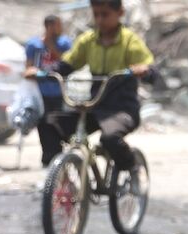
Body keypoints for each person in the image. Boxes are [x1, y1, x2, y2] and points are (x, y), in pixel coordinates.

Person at [26, 0, 156, 189]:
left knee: (110, 139)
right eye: (96, 15)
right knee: (48, 124)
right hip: (95, 106)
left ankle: (132, 168)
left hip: (122, 109)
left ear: (119, 13)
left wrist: (144, 70)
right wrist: (41, 72)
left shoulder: (129, 40)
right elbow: (66, 65)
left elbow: (150, 69)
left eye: (105, 15)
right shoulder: (88, 40)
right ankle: (57, 177)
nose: (100, 20)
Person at [25, 15, 72, 167]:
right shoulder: (34, 44)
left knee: (58, 123)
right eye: (58, 25)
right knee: (43, 124)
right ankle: (47, 157)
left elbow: (66, 63)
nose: (61, 28)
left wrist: (51, 45)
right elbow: (29, 67)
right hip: (41, 93)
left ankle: (59, 155)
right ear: (50, 26)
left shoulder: (64, 43)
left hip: (60, 93)